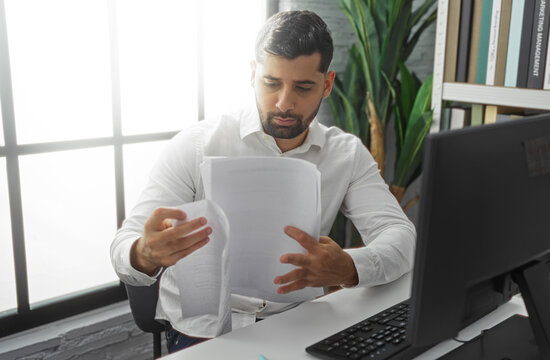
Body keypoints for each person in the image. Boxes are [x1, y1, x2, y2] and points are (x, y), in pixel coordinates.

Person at [111, 10, 416, 353]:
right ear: (253, 74)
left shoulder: (345, 154)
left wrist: (348, 266)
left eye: (303, 87)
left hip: (299, 323)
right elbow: (123, 247)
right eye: (272, 83)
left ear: (327, 84)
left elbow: (402, 237)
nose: (285, 103)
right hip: (206, 333)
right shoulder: (197, 144)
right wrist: (145, 252)